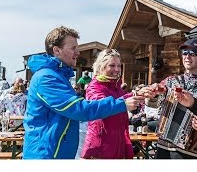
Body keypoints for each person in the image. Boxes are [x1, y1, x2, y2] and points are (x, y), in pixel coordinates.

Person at [23, 26, 145, 159]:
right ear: (56, 50)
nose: (78, 52)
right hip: (45, 154)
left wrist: (136, 96)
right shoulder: (46, 78)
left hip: (57, 151)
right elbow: (77, 108)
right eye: (73, 48)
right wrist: (122, 103)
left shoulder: (58, 76)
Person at [81, 49, 155, 159]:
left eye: (119, 66)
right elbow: (101, 107)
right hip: (100, 146)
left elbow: (122, 99)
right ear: (101, 66)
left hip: (118, 143)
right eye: (112, 65)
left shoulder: (115, 86)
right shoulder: (94, 86)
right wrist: (128, 99)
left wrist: (140, 93)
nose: (116, 69)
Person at [154, 38, 197, 159]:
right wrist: (152, 95)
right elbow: (155, 107)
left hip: (192, 153)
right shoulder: (170, 81)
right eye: (185, 53)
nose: (187, 57)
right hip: (164, 147)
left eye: (193, 53)